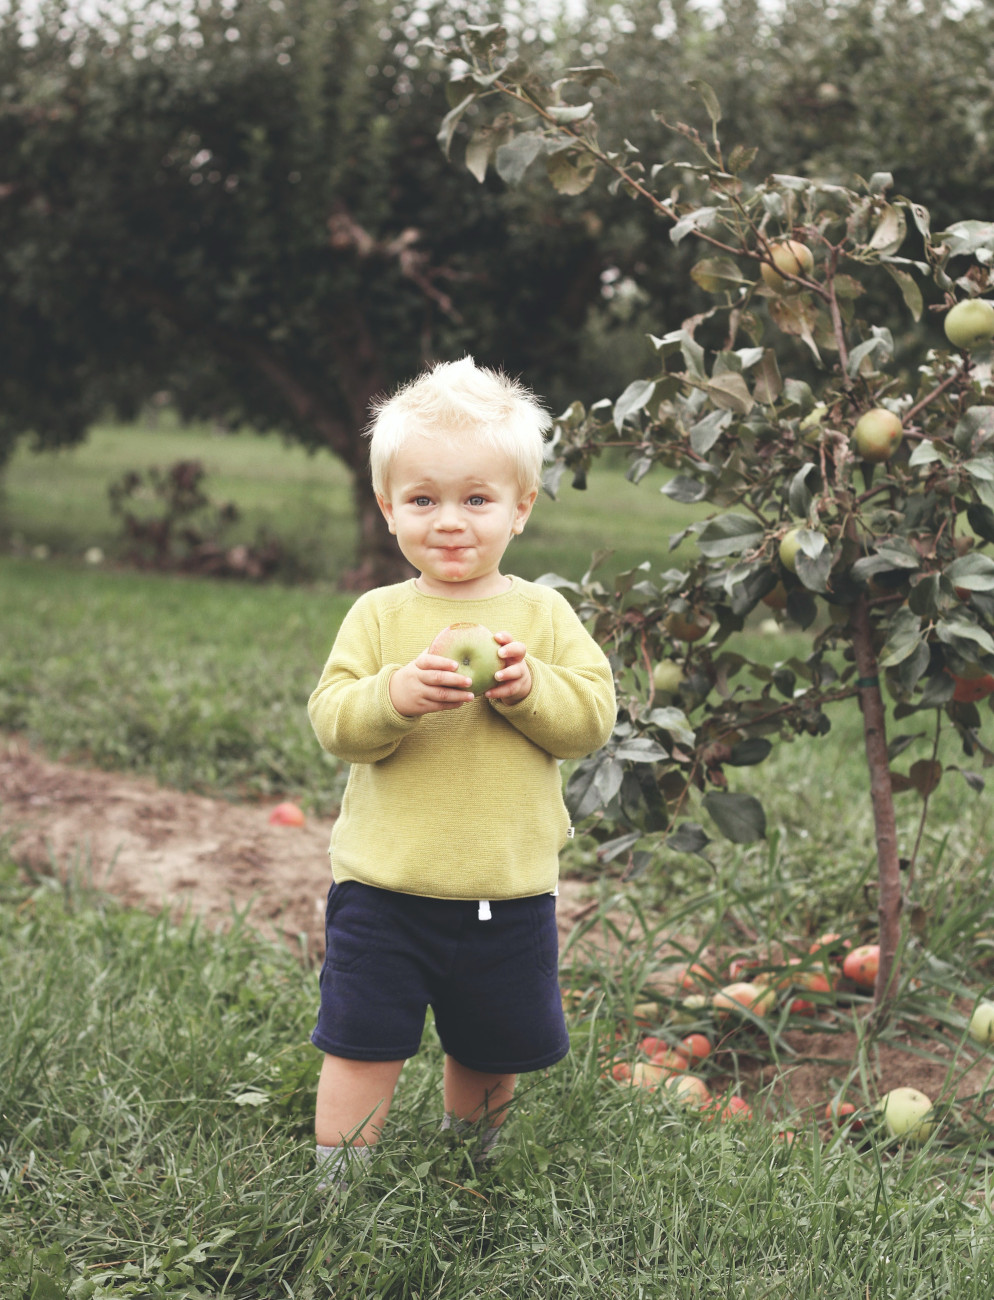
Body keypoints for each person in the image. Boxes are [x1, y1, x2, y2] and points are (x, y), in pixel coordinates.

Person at [307, 356, 616, 1193]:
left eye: (477, 499)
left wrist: (528, 688)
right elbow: (334, 719)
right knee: (361, 1040)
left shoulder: (543, 617)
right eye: (423, 499)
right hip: (385, 887)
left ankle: (466, 1163)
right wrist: (397, 695)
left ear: (521, 508)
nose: (450, 521)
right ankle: (337, 1186)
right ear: (387, 508)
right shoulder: (380, 616)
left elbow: (592, 718)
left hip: (506, 892)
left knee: (491, 1044)